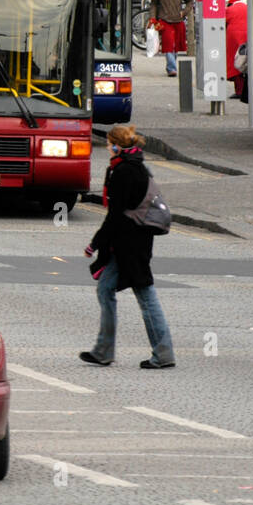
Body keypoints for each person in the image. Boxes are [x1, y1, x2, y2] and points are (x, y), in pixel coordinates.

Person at [80, 125, 176, 369]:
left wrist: (95, 243)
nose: (106, 148)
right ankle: (103, 350)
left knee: (145, 294)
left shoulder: (124, 171)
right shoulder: (137, 166)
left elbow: (116, 215)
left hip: (131, 244)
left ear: (115, 145)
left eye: (108, 143)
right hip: (130, 242)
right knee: (105, 289)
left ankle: (163, 354)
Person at [150, 0, 192, 76]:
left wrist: (184, 12)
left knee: (176, 46)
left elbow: (189, 1)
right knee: (168, 44)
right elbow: (153, 3)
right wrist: (153, 18)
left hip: (178, 20)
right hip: (164, 20)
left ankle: (170, 66)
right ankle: (172, 68)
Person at [226, 0, 248, 101]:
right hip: (248, 37)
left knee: (236, 64)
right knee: (247, 63)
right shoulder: (248, 7)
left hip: (233, 39)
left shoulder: (230, 10)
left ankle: (239, 91)